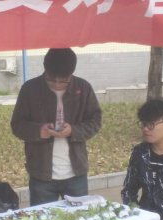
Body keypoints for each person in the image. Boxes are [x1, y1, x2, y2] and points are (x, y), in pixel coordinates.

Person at [11, 48, 102, 206]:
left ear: (71, 74)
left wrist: (73, 131)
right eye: (51, 80)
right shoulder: (30, 89)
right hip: (41, 173)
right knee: (42, 219)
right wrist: (39, 131)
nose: (57, 84)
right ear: (45, 70)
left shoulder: (83, 88)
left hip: (76, 173)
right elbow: (17, 125)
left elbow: (95, 121)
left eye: (64, 81)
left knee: (79, 218)